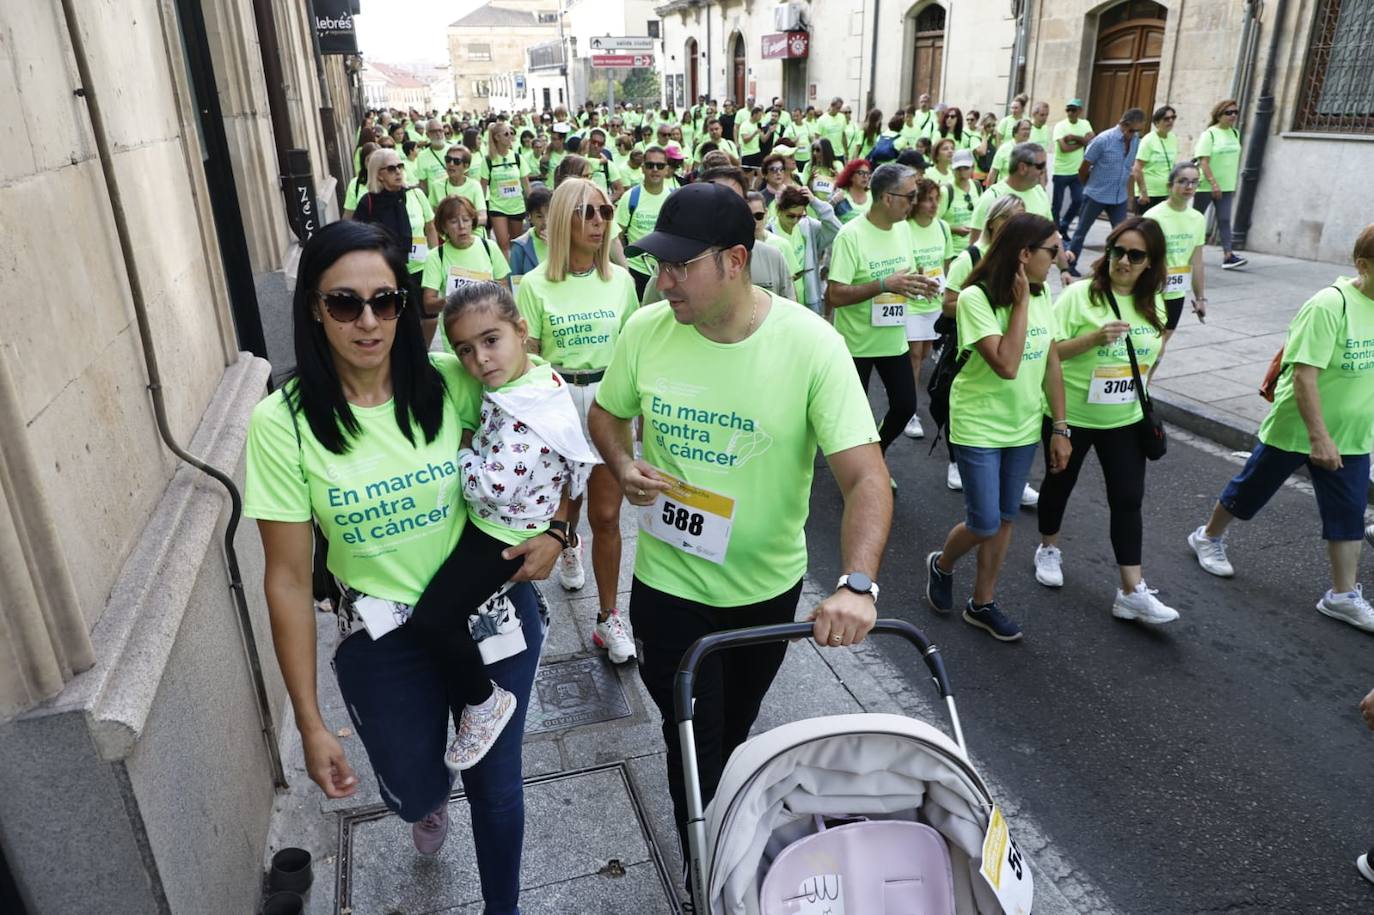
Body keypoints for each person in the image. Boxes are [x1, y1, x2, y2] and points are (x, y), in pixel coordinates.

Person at [587, 181, 891, 901]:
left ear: (734, 261)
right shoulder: (646, 328)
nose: (662, 281)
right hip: (667, 586)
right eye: (658, 264)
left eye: (678, 266)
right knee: (691, 737)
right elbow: (605, 413)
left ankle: (724, 829)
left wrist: (856, 581)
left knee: (735, 733)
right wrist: (624, 462)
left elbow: (867, 478)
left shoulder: (810, 343)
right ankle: (709, 865)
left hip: (766, 590)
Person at [246, 221, 559, 911]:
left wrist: (560, 528)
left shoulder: (453, 379)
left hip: (491, 616)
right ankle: (425, 804)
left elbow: (559, 421)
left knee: (497, 786)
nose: (367, 321)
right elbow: (289, 580)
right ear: (313, 309)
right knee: (416, 786)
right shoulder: (281, 423)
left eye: (384, 302)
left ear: (403, 304)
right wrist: (308, 720)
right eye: (344, 303)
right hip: (386, 636)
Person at [407, 282, 596, 772]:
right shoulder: (528, 384)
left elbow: (489, 487)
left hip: (504, 535)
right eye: (465, 350)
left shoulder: (523, 414)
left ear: (522, 331)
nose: (480, 361)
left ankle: (484, 702)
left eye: (491, 341)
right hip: (506, 526)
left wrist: (462, 448)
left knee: (432, 618)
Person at [1187, 225, 1374, 631]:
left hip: (1354, 434)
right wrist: (1319, 437)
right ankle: (1207, 537)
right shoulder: (1330, 304)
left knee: (1349, 514)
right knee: (1251, 489)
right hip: (1299, 426)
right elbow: (1304, 374)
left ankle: (1341, 595)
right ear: (1363, 265)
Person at [926, 213, 1072, 641]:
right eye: (1052, 250)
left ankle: (982, 603)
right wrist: (1022, 303)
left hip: (1023, 427)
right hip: (979, 425)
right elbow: (1007, 364)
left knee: (1006, 518)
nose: (1059, 257)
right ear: (1024, 254)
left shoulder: (1045, 294)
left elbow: (1050, 361)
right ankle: (942, 563)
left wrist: (1060, 428)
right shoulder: (977, 299)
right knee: (985, 521)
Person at [515, 179, 640, 663]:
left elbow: (634, 351)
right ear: (562, 218)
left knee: (607, 515)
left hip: (609, 401)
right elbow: (526, 358)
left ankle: (609, 617)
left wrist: (641, 409)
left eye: (605, 212)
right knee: (560, 511)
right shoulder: (534, 284)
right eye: (586, 212)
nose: (598, 222)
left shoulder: (622, 281)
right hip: (558, 399)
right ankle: (567, 543)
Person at [1032, 217, 1179, 623]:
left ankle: (1131, 590)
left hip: (1126, 419)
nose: (1124, 261)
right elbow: (1050, 354)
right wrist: (1094, 340)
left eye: (1136, 255)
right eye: (1118, 251)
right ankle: (1048, 547)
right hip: (1073, 415)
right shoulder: (1079, 296)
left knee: (1128, 499)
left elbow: (1154, 354)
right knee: (1060, 483)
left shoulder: (1155, 302)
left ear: (1151, 262)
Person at [827, 163, 936, 460]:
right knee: (853, 419)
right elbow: (835, 294)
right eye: (910, 197)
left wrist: (920, 284)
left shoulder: (903, 230)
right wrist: (883, 284)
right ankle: (856, 472)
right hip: (856, 346)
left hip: (892, 340)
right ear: (888, 198)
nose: (914, 204)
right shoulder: (851, 236)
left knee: (905, 407)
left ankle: (877, 454)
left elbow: (904, 278)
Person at [940, 194, 1026, 493]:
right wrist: (979, 310)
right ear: (993, 222)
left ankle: (1013, 477)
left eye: (1020, 219)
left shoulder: (1020, 260)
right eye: (1009, 219)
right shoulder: (971, 258)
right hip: (970, 347)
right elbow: (948, 302)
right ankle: (956, 461)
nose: (1015, 226)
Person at [352, 147, 436, 323]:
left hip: (420, 267)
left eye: (400, 166)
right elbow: (357, 242)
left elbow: (430, 228)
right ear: (379, 174)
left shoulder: (414, 194)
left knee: (429, 318)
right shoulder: (367, 202)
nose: (398, 172)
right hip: (385, 272)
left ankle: (423, 350)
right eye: (391, 168)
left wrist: (436, 261)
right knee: (398, 321)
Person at [901, 178, 955, 440]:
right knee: (914, 354)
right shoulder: (905, 228)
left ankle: (905, 397)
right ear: (917, 201)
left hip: (934, 300)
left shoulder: (943, 228)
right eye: (928, 199)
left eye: (937, 199)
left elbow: (946, 264)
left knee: (923, 354)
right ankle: (909, 410)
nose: (934, 204)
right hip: (911, 300)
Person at [421, 196, 511, 348]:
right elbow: (428, 304)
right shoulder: (436, 256)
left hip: (490, 329)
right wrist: (454, 300)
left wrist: (489, 291)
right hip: (457, 336)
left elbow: (504, 287)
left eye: (466, 219)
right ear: (444, 226)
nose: (461, 226)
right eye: (454, 222)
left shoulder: (489, 247)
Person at [1066, 108, 1145, 272]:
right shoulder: (1103, 140)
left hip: (1119, 197)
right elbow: (1084, 167)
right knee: (1081, 231)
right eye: (1131, 130)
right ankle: (1069, 265)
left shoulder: (1136, 140)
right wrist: (1087, 187)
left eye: (1138, 131)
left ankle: (1112, 265)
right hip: (1096, 194)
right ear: (1123, 124)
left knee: (1122, 234)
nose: (1134, 134)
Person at [1144, 162, 1208, 354]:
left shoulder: (1197, 219)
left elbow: (1196, 261)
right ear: (1169, 185)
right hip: (1152, 290)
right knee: (1148, 344)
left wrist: (1200, 298)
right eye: (1182, 181)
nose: (1189, 187)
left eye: (1194, 182)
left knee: (1161, 347)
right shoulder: (1154, 217)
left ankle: (1145, 383)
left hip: (1176, 292)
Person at [767, 185, 842, 313]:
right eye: (790, 216)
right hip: (780, 303)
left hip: (809, 302)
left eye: (800, 216)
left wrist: (815, 202)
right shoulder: (768, 233)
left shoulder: (808, 227)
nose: (795, 220)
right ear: (779, 211)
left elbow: (836, 228)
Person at [616, 145, 678, 299]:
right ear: (642, 168)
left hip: (666, 271)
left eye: (660, 166)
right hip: (636, 269)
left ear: (666, 169)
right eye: (650, 165)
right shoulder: (630, 197)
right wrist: (624, 267)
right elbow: (617, 235)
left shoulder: (674, 198)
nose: (655, 169)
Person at [1194, 99, 1248, 269]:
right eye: (1228, 112)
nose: (1233, 116)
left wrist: (1229, 184)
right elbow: (1203, 162)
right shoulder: (1209, 134)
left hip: (1227, 185)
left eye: (1235, 112)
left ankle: (1228, 255)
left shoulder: (1235, 133)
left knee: (1224, 219)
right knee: (1196, 219)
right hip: (1206, 185)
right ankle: (1187, 251)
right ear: (1219, 115)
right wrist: (1213, 183)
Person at [481, 121, 529, 259]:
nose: (510, 137)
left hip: (517, 206)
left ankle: (516, 275)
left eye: (512, 134)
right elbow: (483, 186)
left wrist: (532, 207)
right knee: (503, 245)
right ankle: (505, 278)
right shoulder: (488, 160)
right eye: (506, 134)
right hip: (497, 207)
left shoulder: (517, 158)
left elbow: (526, 185)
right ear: (497, 137)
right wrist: (482, 209)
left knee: (516, 244)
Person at [1051, 99, 1094, 237]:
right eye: (1068, 109)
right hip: (1061, 171)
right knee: (1057, 205)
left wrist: (1073, 137)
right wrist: (1082, 141)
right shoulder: (1060, 126)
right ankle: (1056, 231)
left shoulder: (1085, 123)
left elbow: (1092, 141)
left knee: (1078, 200)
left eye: (1073, 109)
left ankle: (1064, 225)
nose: (1070, 112)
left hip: (1077, 171)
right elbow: (1064, 148)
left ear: (1080, 111)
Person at [746, 191, 798, 300]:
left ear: (766, 213)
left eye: (758, 216)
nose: (754, 221)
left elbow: (791, 287)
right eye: (748, 216)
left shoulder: (782, 245)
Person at [428, 145, 488, 237]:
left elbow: (483, 218)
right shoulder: (436, 186)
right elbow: (432, 217)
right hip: (447, 239)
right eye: (448, 160)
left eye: (456, 161)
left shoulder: (475, 185)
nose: (451, 164)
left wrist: (461, 225)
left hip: (474, 237)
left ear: (466, 166)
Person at [1133, 106, 1178, 211]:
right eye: (1166, 119)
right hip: (1149, 193)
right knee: (1144, 225)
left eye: (1173, 117)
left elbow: (1172, 166)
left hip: (1165, 192)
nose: (1170, 121)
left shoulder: (1173, 138)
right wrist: (1143, 193)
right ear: (1157, 123)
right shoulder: (1148, 140)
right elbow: (1137, 168)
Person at [940, 148, 982, 256]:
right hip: (953, 252)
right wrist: (953, 229)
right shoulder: (945, 191)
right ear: (952, 169)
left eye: (966, 168)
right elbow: (934, 223)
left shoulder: (977, 186)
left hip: (975, 250)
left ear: (973, 168)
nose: (962, 173)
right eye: (958, 168)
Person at [508, 185, 552, 288]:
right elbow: (515, 284)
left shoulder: (567, 241)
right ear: (530, 218)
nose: (545, 222)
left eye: (550, 215)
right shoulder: (520, 246)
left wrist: (555, 247)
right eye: (539, 216)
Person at [984, 118, 1032, 188]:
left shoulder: (1032, 149)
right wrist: (988, 193)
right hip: (1005, 192)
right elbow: (993, 172)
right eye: (1024, 129)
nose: (1027, 132)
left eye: (1029, 129)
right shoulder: (1004, 149)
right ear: (1015, 132)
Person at [342, 142, 379, 219]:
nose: (373, 164)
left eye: (377, 160)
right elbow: (348, 215)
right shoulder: (355, 184)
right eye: (369, 160)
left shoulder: (391, 182)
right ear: (363, 162)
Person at [416, 119, 451, 196]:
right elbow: (423, 183)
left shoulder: (454, 149)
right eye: (434, 131)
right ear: (427, 134)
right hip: (436, 202)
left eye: (440, 130)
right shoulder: (422, 156)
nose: (438, 134)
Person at [831, 158, 873, 223]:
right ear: (850, 176)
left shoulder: (873, 196)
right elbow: (826, 217)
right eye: (861, 173)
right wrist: (832, 203)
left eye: (867, 173)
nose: (865, 176)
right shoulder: (840, 195)